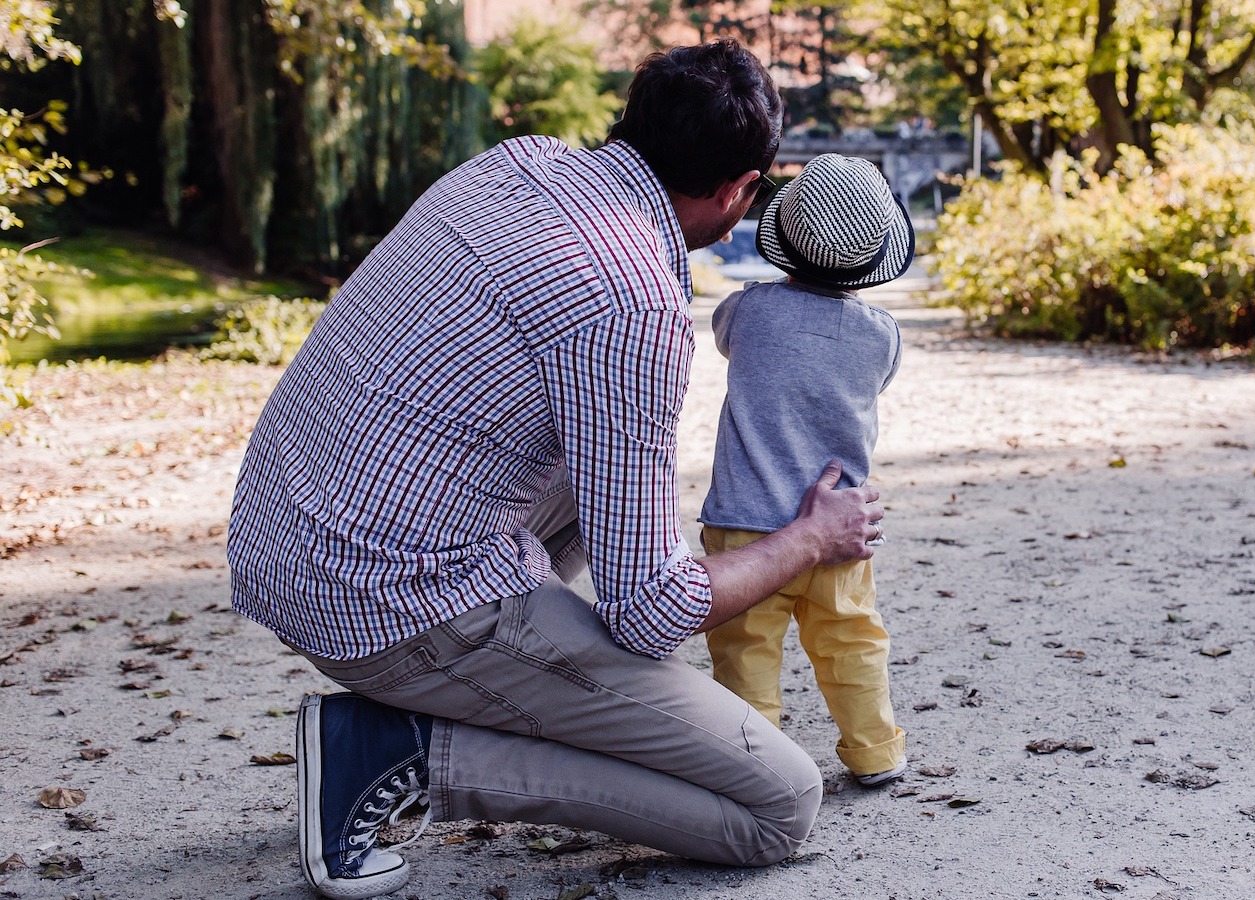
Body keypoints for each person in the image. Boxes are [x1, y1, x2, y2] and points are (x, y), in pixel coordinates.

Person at [225, 40, 884, 900]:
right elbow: (654, 613)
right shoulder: (635, 301)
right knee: (777, 805)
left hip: (285, 538)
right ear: (737, 191)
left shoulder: (518, 162)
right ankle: (396, 753)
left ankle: (532, 681)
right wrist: (807, 538)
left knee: (607, 466)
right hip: (389, 603)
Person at [699, 153, 912, 788]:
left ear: (783, 241)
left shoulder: (748, 312)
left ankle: (755, 767)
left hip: (745, 530)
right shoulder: (881, 335)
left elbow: (721, 337)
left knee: (745, 653)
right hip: (841, 527)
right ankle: (875, 751)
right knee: (853, 642)